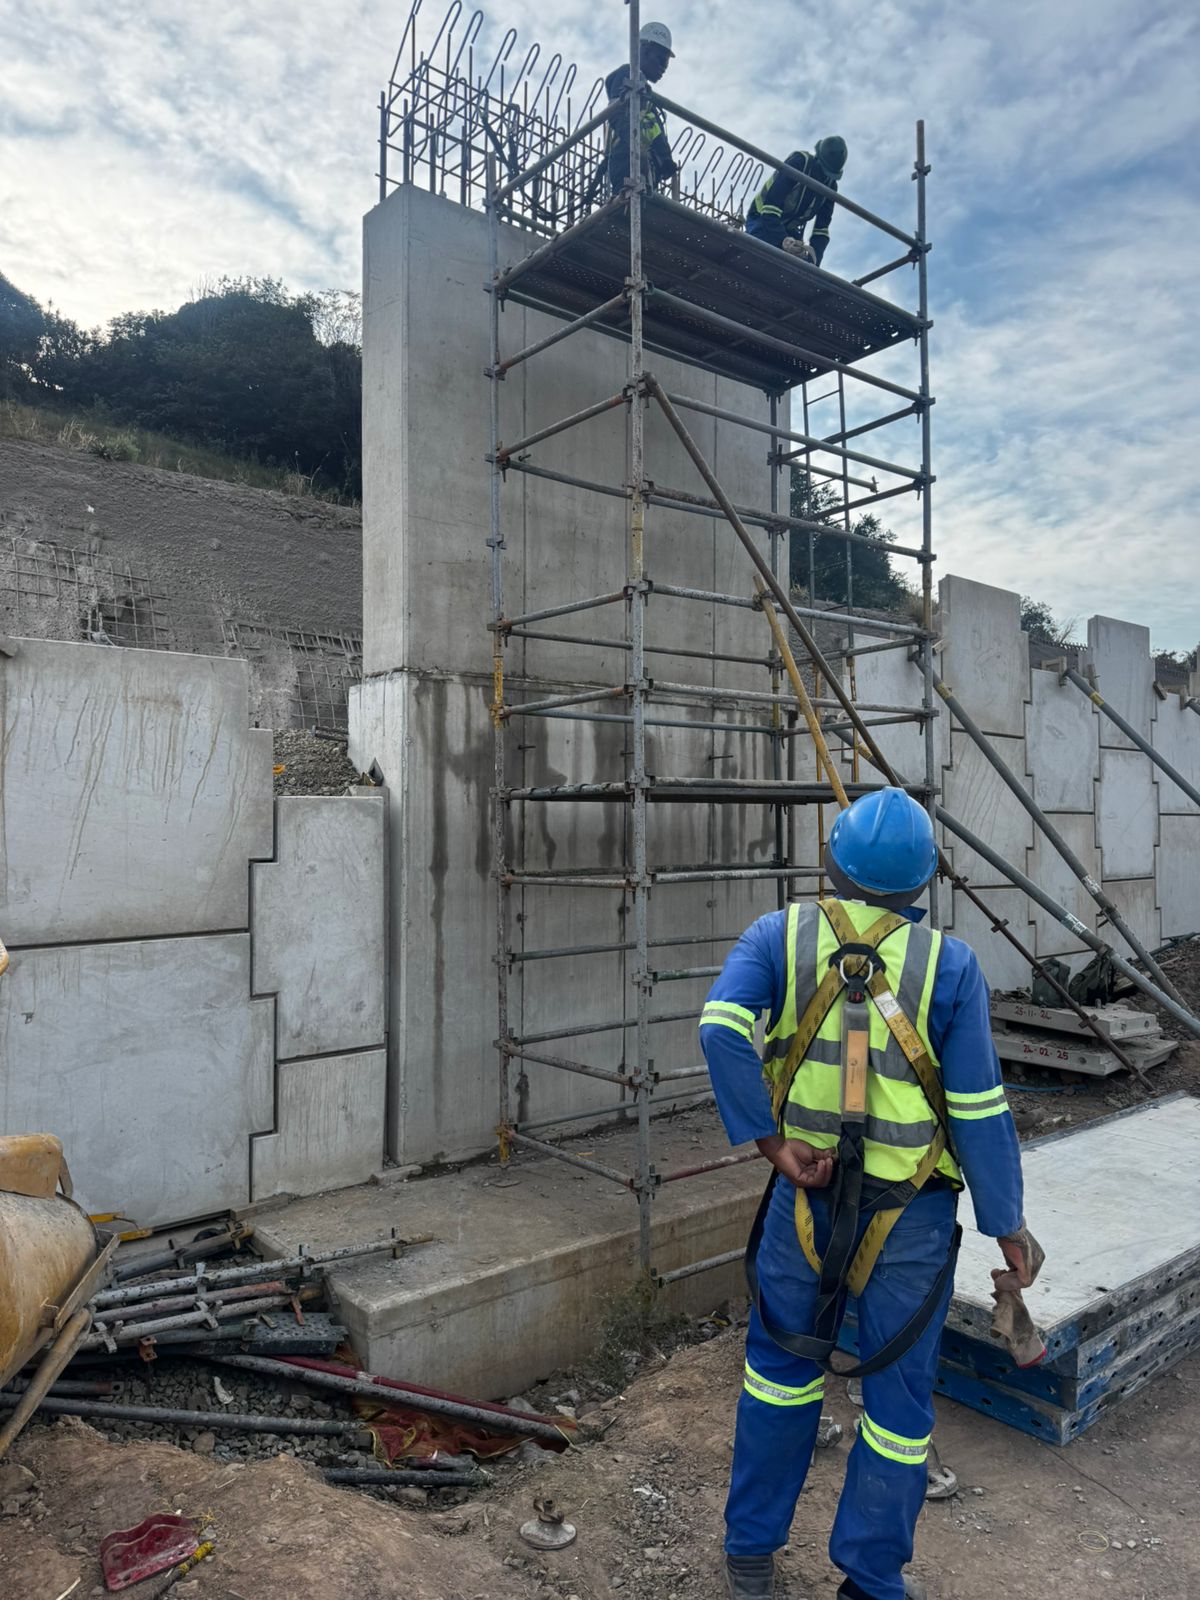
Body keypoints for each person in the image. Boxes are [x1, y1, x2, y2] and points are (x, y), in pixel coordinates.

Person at [699, 787, 1042, 1600]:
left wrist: (769, 1139)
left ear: (832, 863)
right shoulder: (948, 967)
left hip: (803, 1198)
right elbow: (977, 1107)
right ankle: (871, 1579)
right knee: (896, 1403)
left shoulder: (777, 935)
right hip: (910, 1217)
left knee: (780, 1374)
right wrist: (1007, 1225)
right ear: (923, 883)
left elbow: (719, 1025)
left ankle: (751, 1553)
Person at [744, 137, 848, 265]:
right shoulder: (799, 163)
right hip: (761, 219)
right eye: (823, 172)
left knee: (798, 267)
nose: (824, 177)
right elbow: (770, 208)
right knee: (762, 256)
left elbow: (821, 229)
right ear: (818, 159)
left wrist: (814, 260)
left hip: (789, 229)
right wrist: (783, 240)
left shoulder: (830, 186)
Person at [603, 21, 678, 197]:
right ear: (644, 51)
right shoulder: (627, 75)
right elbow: (616, 113)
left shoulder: (648, 99)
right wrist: (634, 145)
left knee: (644, 208)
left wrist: (665, 159)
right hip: (625, 157)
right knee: (629, 205)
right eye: (660, 61)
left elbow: (655, 130)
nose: (663, 69)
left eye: (666, 65)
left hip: (645, 162)